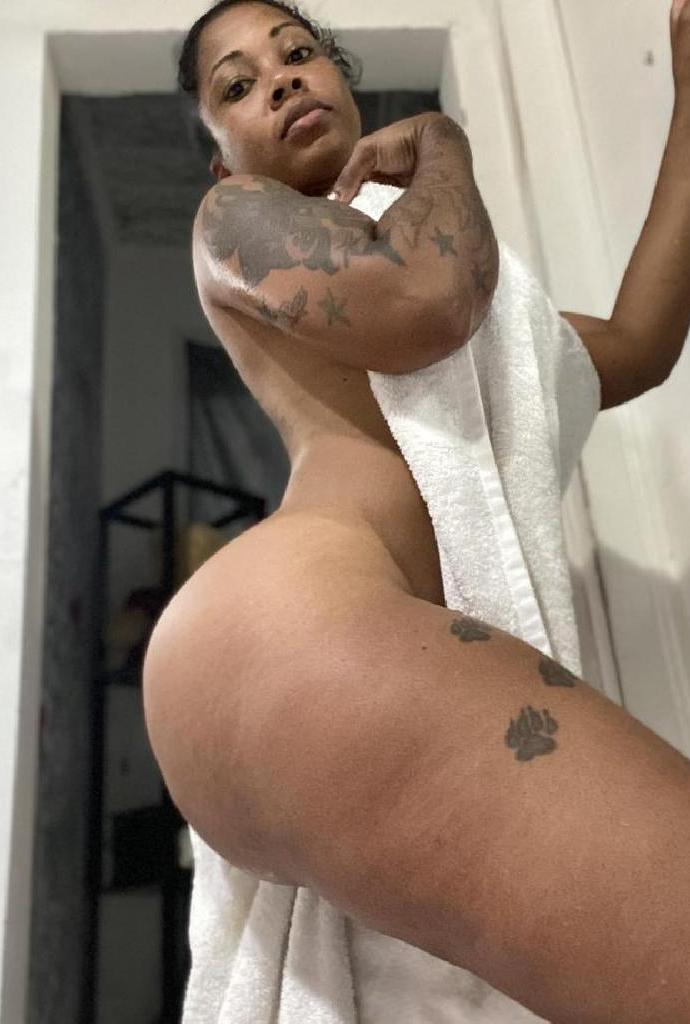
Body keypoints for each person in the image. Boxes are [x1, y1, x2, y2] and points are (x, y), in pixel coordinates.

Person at [142, 1, 690, 1020]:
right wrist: (445, 140)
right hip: (293, 626)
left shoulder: (491, 313)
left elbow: (641, 344)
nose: (282, 77)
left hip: (320, 666)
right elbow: (426, 302)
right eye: (238, 84)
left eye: (300, 53)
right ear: (222, 159)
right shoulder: (236, 220)